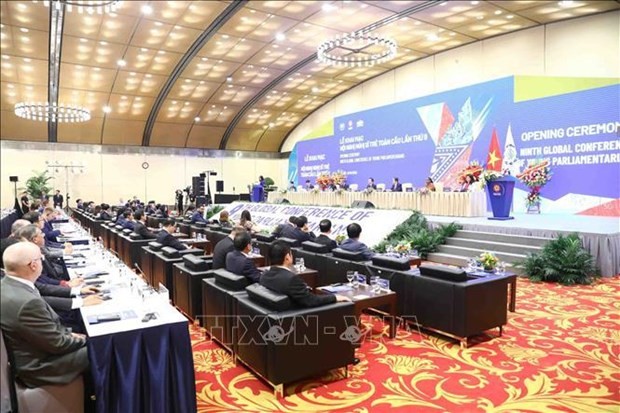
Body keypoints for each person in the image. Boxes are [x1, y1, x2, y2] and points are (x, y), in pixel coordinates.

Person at [0, 242, 89, 388]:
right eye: (41, 258)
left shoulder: (10, 284)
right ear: (33, 265)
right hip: (42, 366)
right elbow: (58, 344)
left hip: (39, 350)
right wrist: (86, 339)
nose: (43, 260)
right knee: (104, 348)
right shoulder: (27, 303)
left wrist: (70, 334)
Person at [260, 241, 350, 307]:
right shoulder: (291, 279)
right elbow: (311, 300)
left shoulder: (264, 275)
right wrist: (334, 297)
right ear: (287, 257)